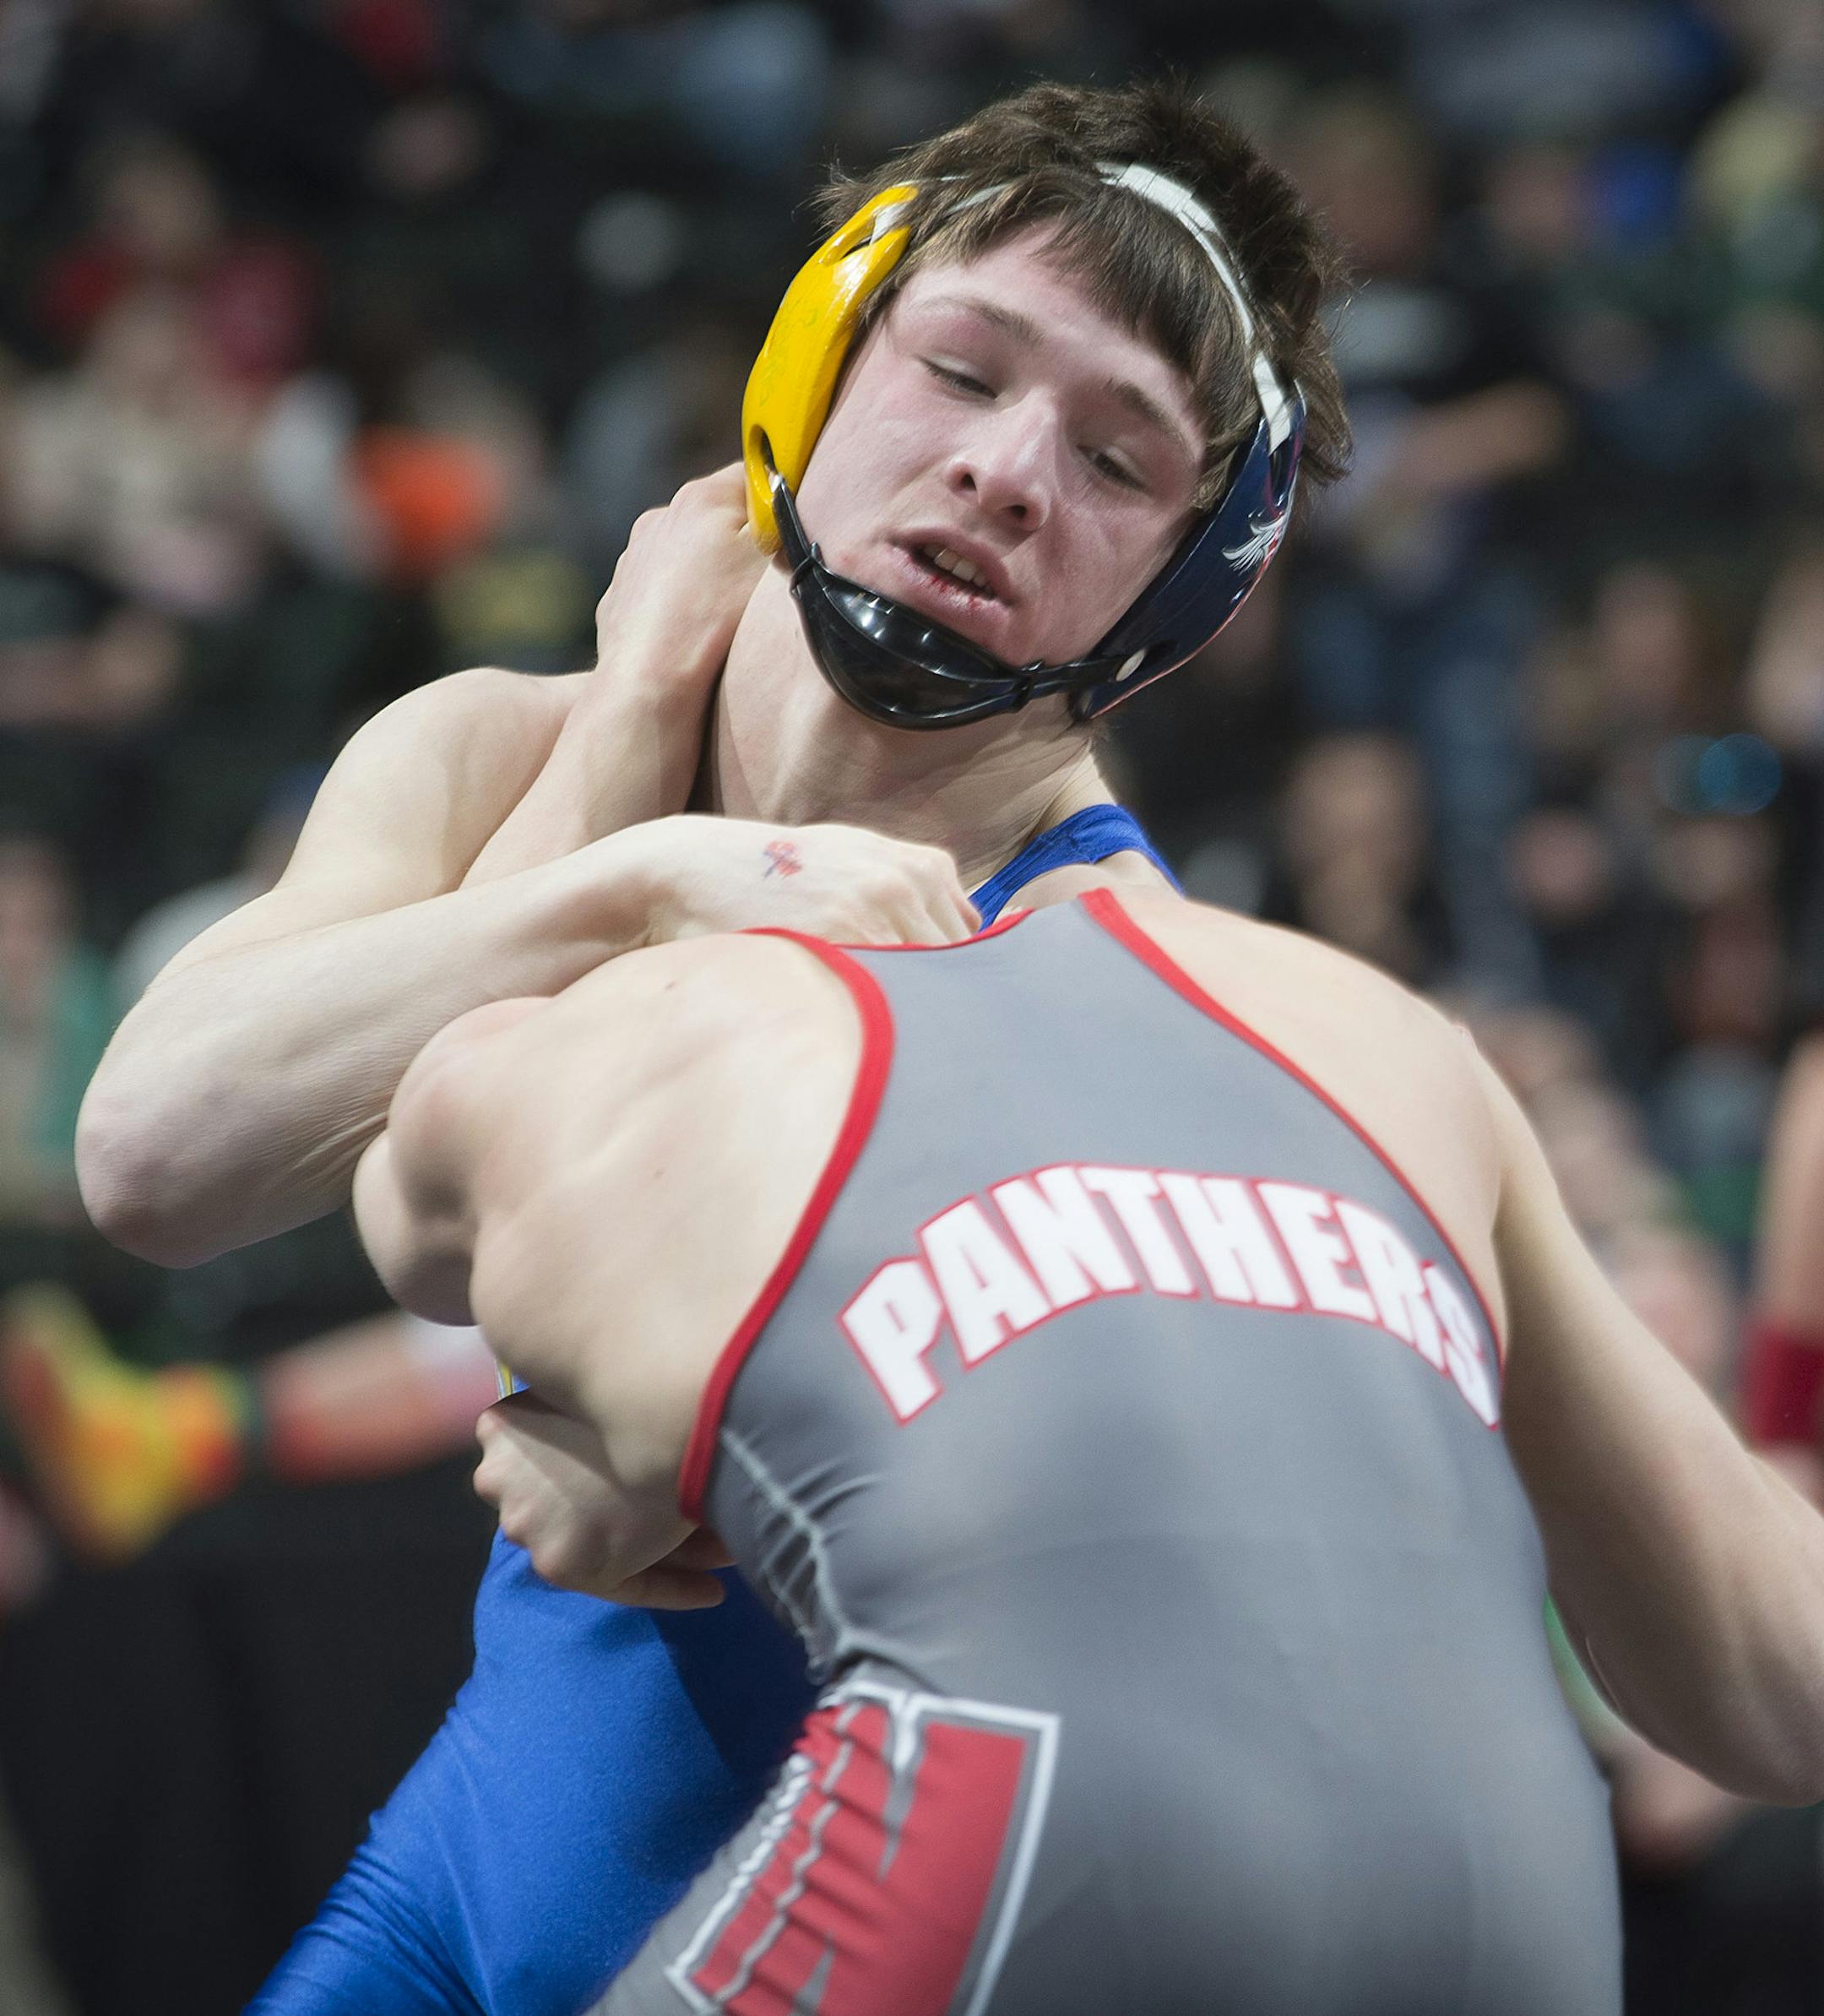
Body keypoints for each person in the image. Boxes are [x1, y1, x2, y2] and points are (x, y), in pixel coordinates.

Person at [76, 80, 1350, 2013]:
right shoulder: (497, 743)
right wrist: (645, 821)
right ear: (817, 359)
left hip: (838, 1942)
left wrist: (712, 1441)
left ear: (1185, 586)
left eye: (1115, 459)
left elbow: (1136, 1574)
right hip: (477, 1857)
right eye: (963, 370)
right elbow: (155, 1160)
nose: (1009, 471)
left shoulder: (1106, 970)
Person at [357, 887, 1824, 2013]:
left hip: (996, 1812)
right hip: (1512, 1874)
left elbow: (311, 1200)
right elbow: (1786, 1683)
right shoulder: (1368, 1029)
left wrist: (642, 1441)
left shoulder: (642, 1018)